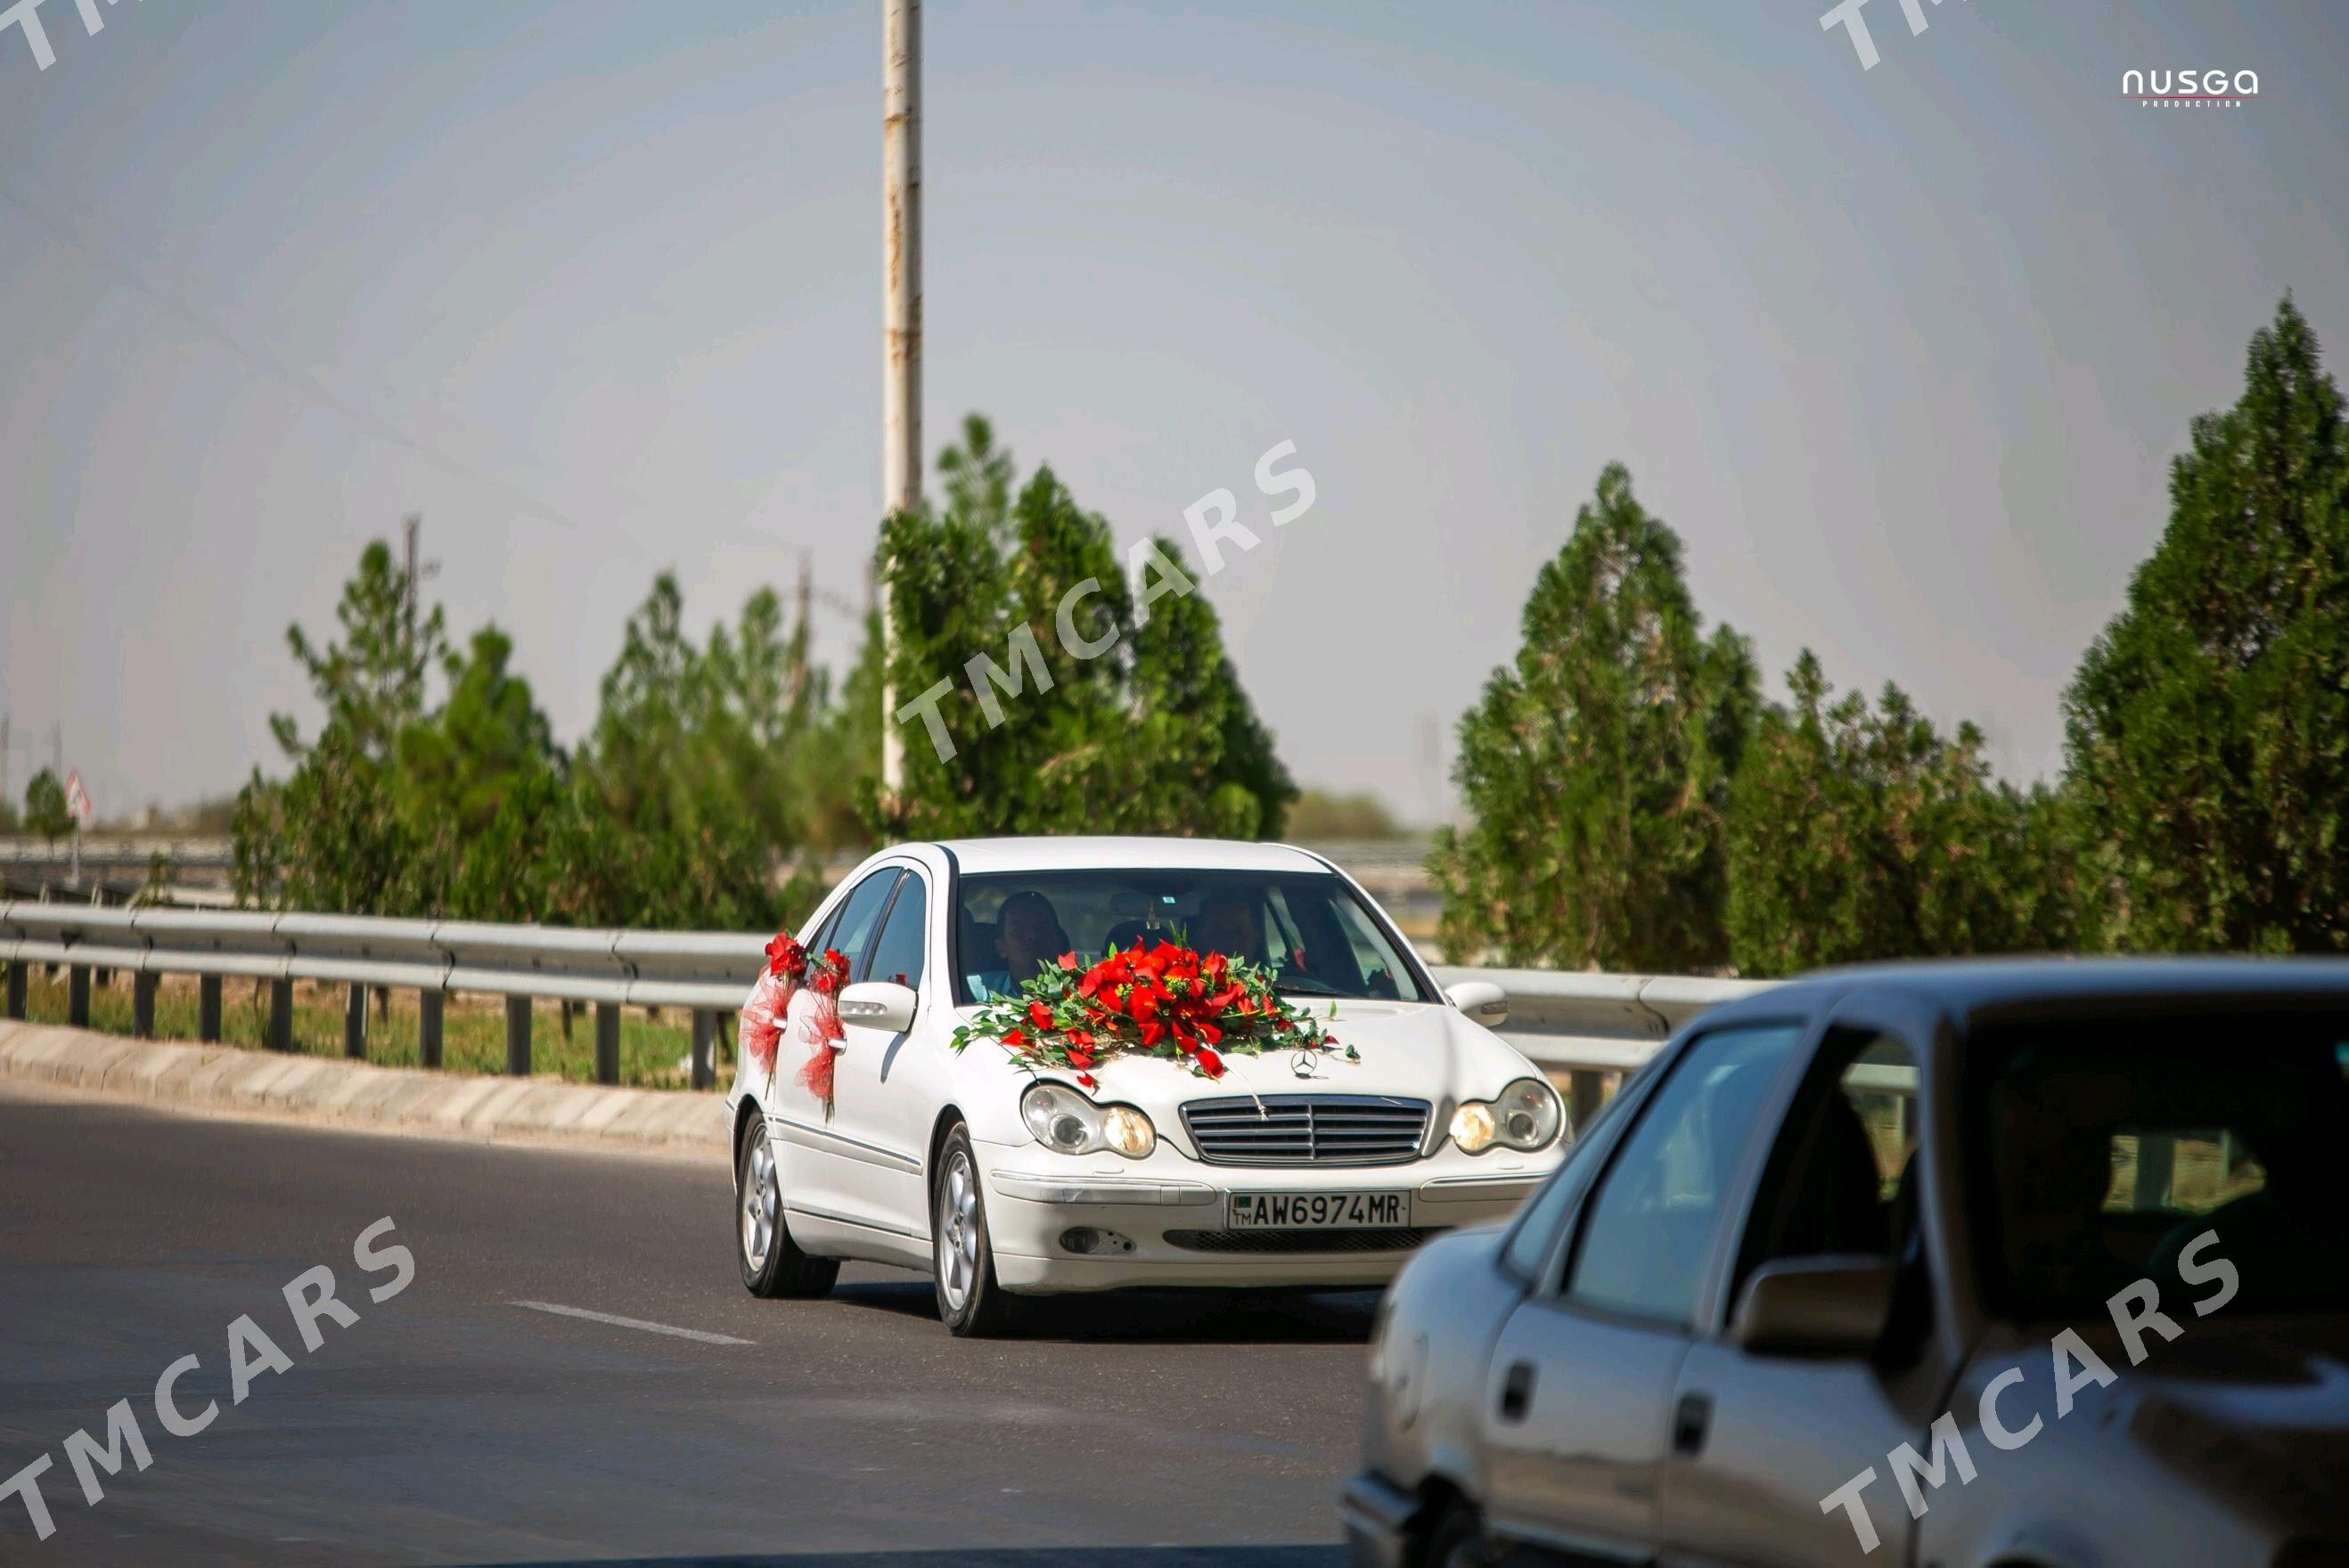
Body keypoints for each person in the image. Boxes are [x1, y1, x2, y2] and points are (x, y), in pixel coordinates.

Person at [976, 889, 1068, 999]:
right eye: (1018, 930)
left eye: (1042, 927)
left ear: (1057, 939)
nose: (1032, 935)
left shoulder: (1080, 992)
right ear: (1001, 948)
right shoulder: (979, 991)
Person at [1194, 888, 1269, 966]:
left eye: (1237, 932)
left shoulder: (1270, 978)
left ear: (1256, 939)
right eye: (1217, 932)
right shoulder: (1182, 977)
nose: (1226, 940)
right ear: (1199, 938)